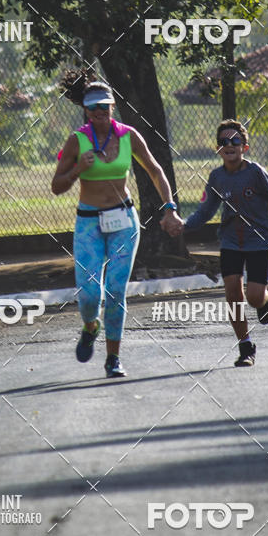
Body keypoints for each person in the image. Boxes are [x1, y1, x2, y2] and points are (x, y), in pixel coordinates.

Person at [52, 71, 179, 377]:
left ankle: (113, 358)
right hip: (88, 223)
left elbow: (155, 169)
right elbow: (57, 186)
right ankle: (90, 325)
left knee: (115, 290)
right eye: (93, 107)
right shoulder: (76, 141)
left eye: (104, 106)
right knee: (89, 295)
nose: (99, 112)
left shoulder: (128, 135)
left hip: (124, 220)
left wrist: (170, 208)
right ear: (85, 109)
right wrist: (77, 170)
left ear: (112, 107)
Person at [163, 119, 268, 367]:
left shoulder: (256, 173)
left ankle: (264, 298)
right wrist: (183, 224)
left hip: (260, 241)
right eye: (223, 142)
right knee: (232, 292)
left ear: (245, 147)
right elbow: (205, 212)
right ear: (218, 149)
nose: (229, 145)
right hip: (230, 241)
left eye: (235, 141)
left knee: (252, 297)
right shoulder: (216, 177)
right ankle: (245, 347)